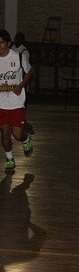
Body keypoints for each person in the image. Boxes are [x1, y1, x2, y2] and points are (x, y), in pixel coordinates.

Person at [0, 29, 33, 172]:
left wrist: (21, 85)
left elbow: (29, 71)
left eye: (1, 42)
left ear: (8, 43)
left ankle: (25, 139)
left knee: (17, 134)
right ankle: (9, 160)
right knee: (5, 133)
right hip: (1, 103)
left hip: (17, 102)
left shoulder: (18, 57)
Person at [10, 32, 34, 135]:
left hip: (20, 82)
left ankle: (23, 124)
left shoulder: (24, 52)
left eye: (18, 38)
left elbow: (26, 69)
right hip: (10, 81)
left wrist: (24, 84)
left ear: (22, 40)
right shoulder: (11, 48)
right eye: (15, 38)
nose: (16, 40)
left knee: (21, 105)